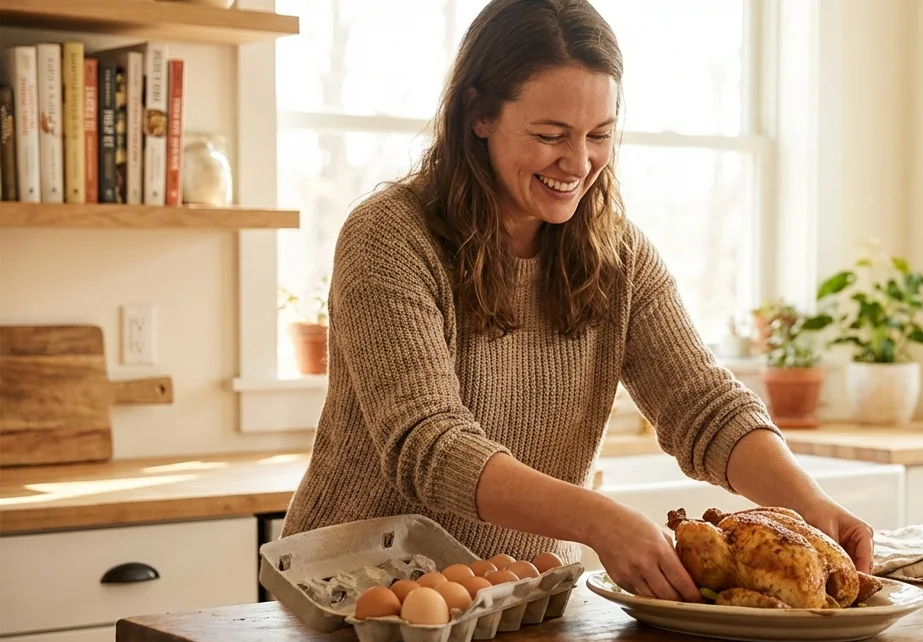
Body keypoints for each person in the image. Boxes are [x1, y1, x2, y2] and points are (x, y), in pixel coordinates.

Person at [281, 0, 873, 603]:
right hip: (351, 596)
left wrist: (809, 504)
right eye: (549, 136)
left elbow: (704, 406)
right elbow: (429, 444)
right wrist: (597, 519)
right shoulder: (389, 237)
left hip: (521, 601)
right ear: (478, 114)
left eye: (600, 135)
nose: (578, 161)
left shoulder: (619, 256)